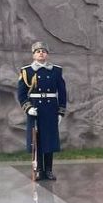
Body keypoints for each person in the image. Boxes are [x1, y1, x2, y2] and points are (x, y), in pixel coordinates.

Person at [17, 41, 68, 181]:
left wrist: (60, 112)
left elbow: (62, 93)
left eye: (43, 51)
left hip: (51, 109)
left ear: (47, 54)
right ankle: (39, 170)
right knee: (37, 140)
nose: (41, 53)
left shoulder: (56, 71)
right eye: (38, 51)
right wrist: (28, 108)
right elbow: (21, 94)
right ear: (33, 55)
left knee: (49, 139)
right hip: (35, 109)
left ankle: (49, 170)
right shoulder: (27, 71)